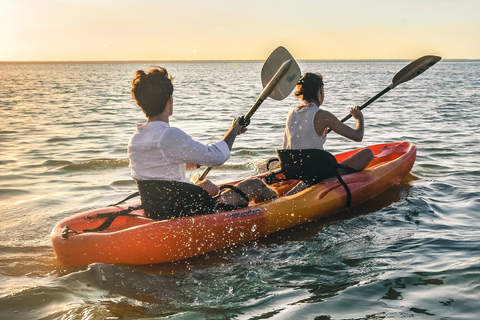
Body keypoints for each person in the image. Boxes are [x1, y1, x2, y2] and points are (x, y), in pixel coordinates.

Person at [128, 66, 277, 219]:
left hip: (159, 211)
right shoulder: (169, 135)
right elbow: (216, 157)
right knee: (254, 184)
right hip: (189, 212)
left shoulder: (136, 139)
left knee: (206, 185)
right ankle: (283, 205)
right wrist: (233, 130)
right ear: (169, 100)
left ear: (141, 104)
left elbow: (158, 167)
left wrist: (190, 162)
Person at [281, 72, 374, 191]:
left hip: (294, 170)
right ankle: (313, 183)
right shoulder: (323, 116)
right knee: (368, 153)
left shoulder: (291, 114)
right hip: (316, 174)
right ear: (320, 90)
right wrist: (359, 118)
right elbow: (358, 136)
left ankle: (301, 183)